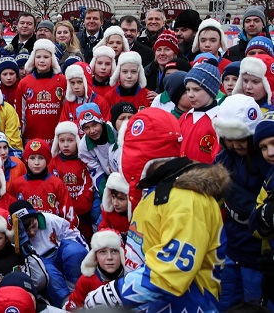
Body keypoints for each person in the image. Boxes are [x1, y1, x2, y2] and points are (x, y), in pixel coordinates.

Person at [85, 109, 229, 311]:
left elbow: (173, 269)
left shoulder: (187, 200)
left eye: (127, 148)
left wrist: (113, 294)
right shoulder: (154, 192)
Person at [212, 94, 267, 308]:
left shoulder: (266, 160)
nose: (235, 144)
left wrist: (229, 189)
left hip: (257, 255)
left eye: (240, 137)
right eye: (229, 137)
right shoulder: (226, 157)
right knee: (225, 305)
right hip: (230, 248)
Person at [17, 39, 66, 143]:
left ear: (52, 59)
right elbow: (20, 114)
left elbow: (66, 109)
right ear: (33, 59)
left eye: (46, 57)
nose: (42, 60)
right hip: (31, 138)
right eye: (38, 57)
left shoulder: (62, 81)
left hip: (56, 139)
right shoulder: (24, 83)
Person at [65, 230, 126, 310]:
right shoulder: (86, 280)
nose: (109, 257)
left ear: (122, 255)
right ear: (95, 257)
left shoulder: (130, 278)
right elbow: (73, 309)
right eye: (103, 252)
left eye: (114, 251)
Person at [179, 59, 222, 164]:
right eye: (188, 90)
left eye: (196, 90)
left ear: (211, 90)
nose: (190, 95)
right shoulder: (184, 118)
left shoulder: (219, 121)